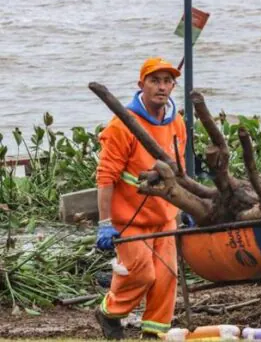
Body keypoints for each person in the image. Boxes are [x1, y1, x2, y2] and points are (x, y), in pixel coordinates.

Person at [95, 57, 187, 339]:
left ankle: (154, 332)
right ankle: (109, 312)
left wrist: (188, 206)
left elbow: (180, 171)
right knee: (141, 273)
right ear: (141, 85)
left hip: (164, 217)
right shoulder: (121, 126)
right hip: (130, 218)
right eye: (154, 81)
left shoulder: (178, 123)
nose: (162, 87)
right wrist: (105, 223)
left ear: (173, 85)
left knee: (167, 277)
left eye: (167, 81)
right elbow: (106, 177)